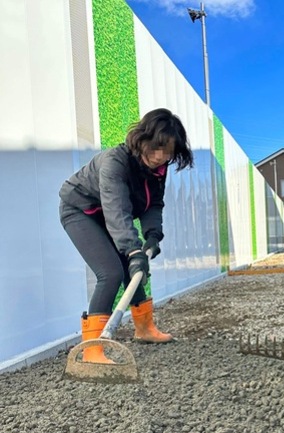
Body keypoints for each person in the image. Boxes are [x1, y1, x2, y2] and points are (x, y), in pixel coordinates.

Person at [59, 108, 194, 363]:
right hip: (80, 212)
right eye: (156, 148)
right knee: (111, 272)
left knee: (136, 268)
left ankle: (144, 329)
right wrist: (133, 250)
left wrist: (152, 236)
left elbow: (153, 204)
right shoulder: (115, 163)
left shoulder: (158, 170)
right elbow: (116, 209)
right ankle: (91, 350)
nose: (160, 157)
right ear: (142, 139)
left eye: (168, 152)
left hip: (109, 217)